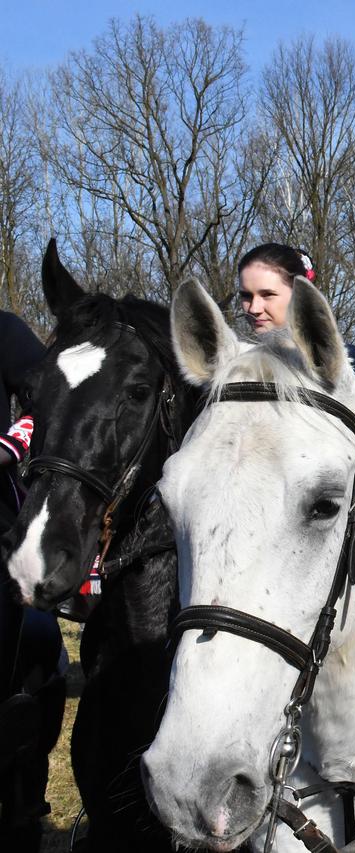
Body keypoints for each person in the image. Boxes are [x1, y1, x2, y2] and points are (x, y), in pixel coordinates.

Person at [0, 310, 66, 853]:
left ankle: (21, 807)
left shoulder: (3, 330)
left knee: (34, 649)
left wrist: (9, 447)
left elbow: (50, 396)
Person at [236, 243, 355, 388]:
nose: (254, 308)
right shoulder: (234, 365)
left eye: (268, 294)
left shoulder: (346, 362)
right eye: (246, 296)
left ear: (298, 295)